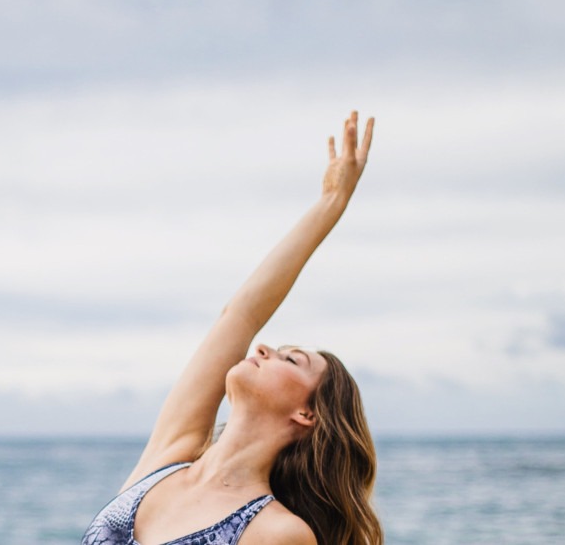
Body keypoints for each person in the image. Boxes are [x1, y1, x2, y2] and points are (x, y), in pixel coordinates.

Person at [82, 111, 381, 545]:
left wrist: (336, 205)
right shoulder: (168, 458)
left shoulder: (278, 533)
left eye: (290, 358)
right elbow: (239, 316)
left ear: (307, 413)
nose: (262, 348)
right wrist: (327, 203)